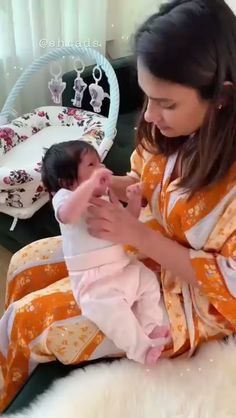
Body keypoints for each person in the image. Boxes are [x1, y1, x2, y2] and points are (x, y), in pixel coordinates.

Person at [0, 0, 236, 412]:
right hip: (138, 241)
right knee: (22, 264)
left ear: (221, 96)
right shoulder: (168, 130)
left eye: (167, 103)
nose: (149, 114)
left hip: (190, 297)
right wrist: (107, 185)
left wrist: (137, 234)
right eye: (146, 97)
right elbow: (144, 179)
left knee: (27, 318)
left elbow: (229, 285)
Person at [41, 140, 170, 365]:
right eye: (92, 164)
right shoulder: (64, 197)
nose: (101, 168)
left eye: (100, 162)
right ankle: (140, 349)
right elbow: (68, 216)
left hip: (122, 266)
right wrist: (90, 185)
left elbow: (128, 221)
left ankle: (151, 327)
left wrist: (133, 200)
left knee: (148, 282)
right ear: (67, 180)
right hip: (93, 281)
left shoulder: (106, 195)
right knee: (113, 314)